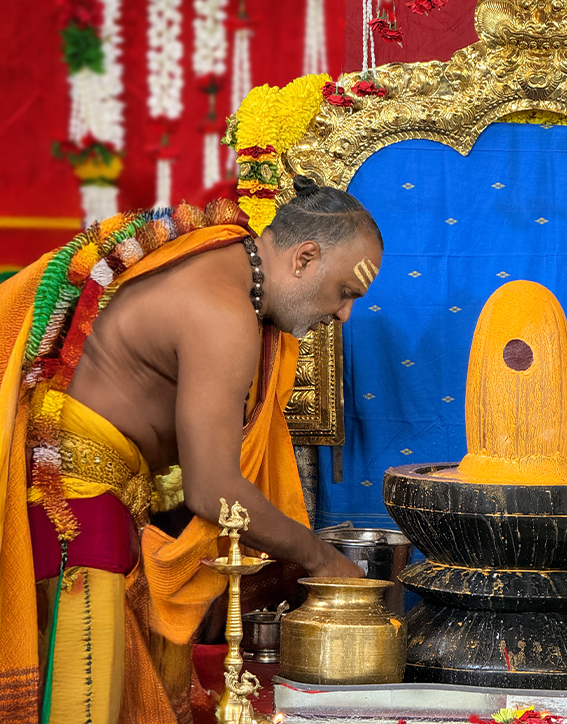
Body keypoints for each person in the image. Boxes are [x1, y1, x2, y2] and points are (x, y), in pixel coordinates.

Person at [0, 176, 382, 724]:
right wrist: (325, 562)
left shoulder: (220, 255)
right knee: (84, 703)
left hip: (98, 490)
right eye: (347, 291)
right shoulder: (223, 311)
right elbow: (213, 492)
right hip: (75, 504)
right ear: (304, 258)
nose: (344, 314)